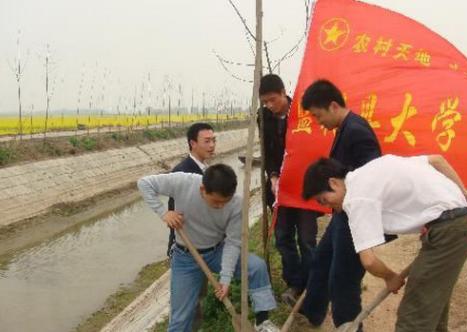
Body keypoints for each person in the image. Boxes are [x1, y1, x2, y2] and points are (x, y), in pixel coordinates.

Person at [302, 155, 467, 332]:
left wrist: (390, 277)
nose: (327, 206)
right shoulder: (370, 169)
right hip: (450, 226)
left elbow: (369, 261)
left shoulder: (356, 199)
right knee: (432, 301)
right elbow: (437, 160)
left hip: (450, 231)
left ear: (333, 183)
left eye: (324, 200)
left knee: (414, 313)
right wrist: (466, 195)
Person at [138, 164, 279, 332]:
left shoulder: (236, 204)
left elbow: (233, 243)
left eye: (224, 202)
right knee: (181, 317)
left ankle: (262, 322)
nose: (220, 206)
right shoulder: (183, 182)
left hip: (216, 251)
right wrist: (163, 213)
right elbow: (144, 183)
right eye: (216, 201)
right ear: (203, 189)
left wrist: (225, 279)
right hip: (185, 258)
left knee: (256, 267)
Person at [299, 79, 388, 328]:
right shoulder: (345, 128)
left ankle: (348, 326)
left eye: (318, 116)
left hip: (354, 218)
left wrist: (354, 208)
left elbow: (374, 176)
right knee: (321, 260)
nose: (319, 123)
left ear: (333, 105)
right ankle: (312, 314)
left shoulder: (357, 132)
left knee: (343, 281)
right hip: (343, 214)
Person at [258, 74, 320, 305]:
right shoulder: (263, 117)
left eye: (273, 100)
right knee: (283, 237)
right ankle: (294, 283)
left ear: (284, 92)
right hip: (280, 190)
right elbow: (268, 152)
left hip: (304, 189)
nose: (270, 106)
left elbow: (313, 148)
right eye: (265, 102)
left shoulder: (305, 113)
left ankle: (312, 284)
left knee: (306, 238)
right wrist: (273, 176)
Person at [166, 122, 216, 330]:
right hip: (187, 249)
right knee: (185, 307)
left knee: (196, 298)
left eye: (214, 140)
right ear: (192, 144)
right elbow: (175, 215)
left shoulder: (205, 170)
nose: (212, 145)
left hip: (201, 247)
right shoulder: (183, 173)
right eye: (207, 141)